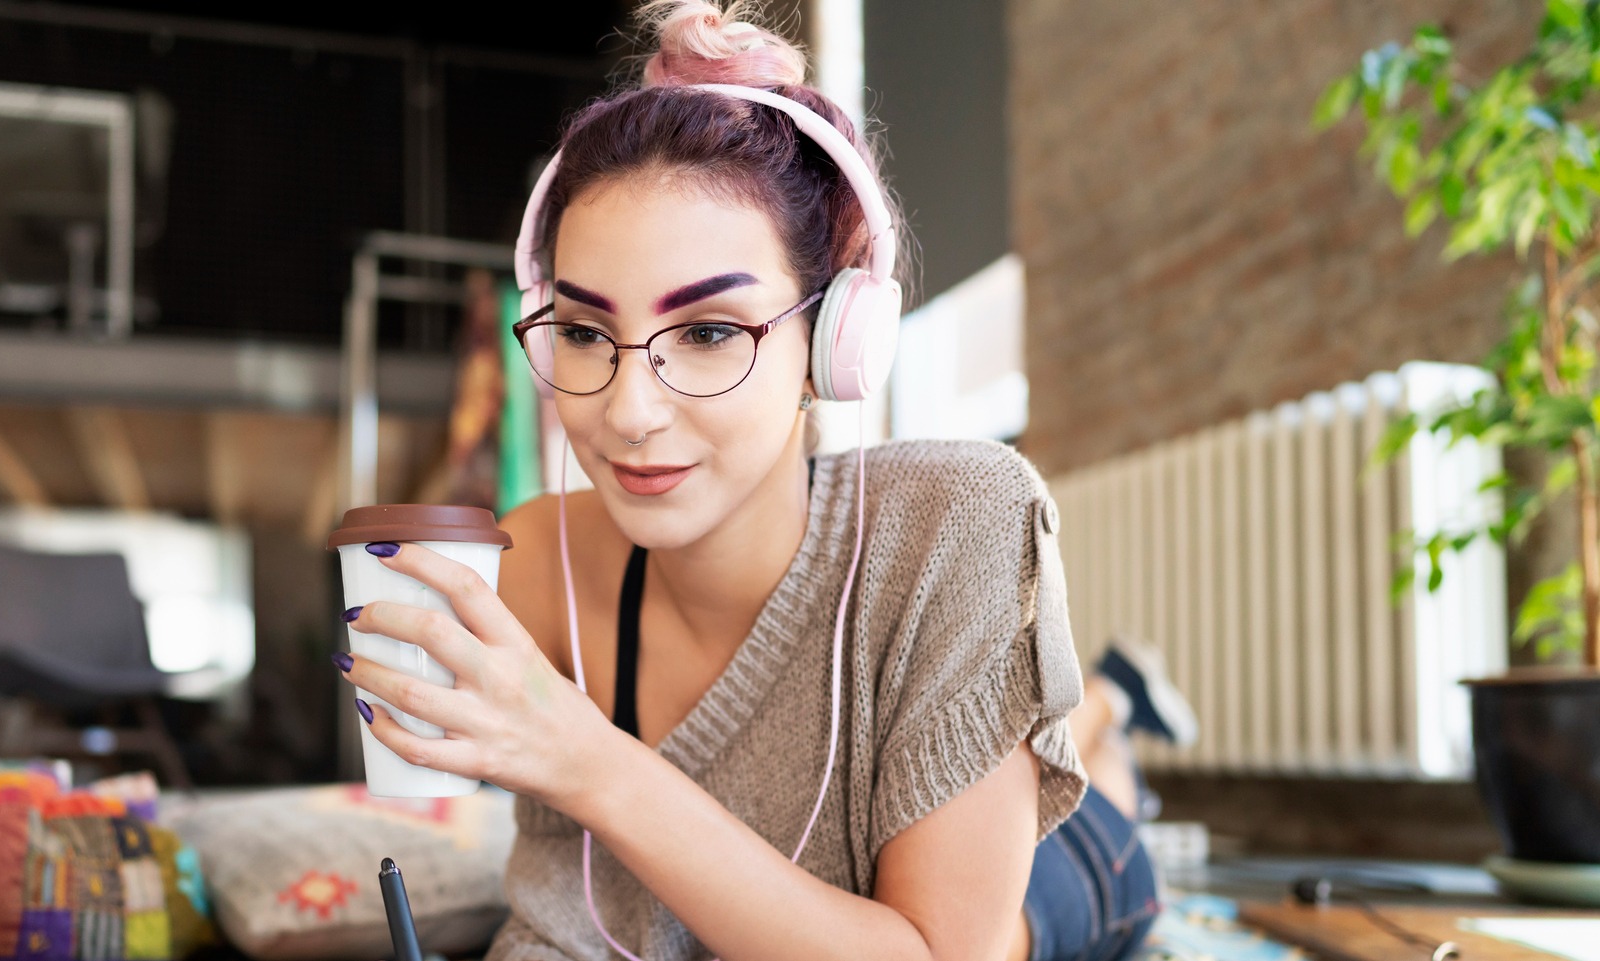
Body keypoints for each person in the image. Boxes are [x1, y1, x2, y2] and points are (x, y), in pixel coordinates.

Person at [332, 3, 1195, 959]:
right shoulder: (539, 562)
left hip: (1058, 882)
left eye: (706, 334)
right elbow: (568, 920)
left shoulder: (959, 519)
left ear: (833, 340)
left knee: (1089, 803)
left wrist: (585, 759)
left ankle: (1106, 703)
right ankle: (1107, 695)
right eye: (583, 332)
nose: (628, 413)